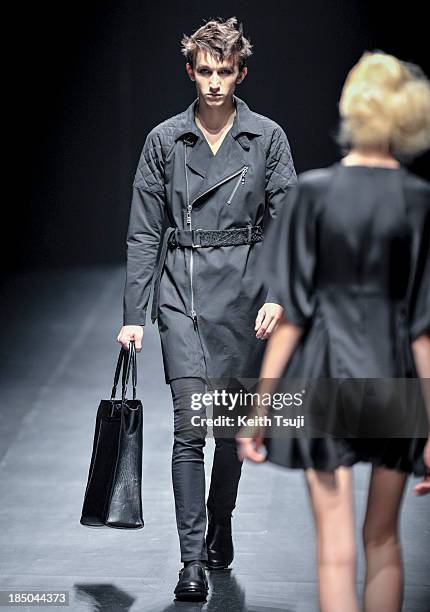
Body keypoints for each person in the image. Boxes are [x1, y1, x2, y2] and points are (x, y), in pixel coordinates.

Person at [237, 51, 430, 612]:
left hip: (325, 372)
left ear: (353, 107)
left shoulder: (313, 193)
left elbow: (292, 313)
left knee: (335, 550)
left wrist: (260, 409)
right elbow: (424, 327)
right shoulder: (419, 201)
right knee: (385, 540)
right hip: (392, 375)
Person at [116, 17, 297, 601]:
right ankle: (191, 560)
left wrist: (278, 293)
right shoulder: (164, 142)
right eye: (204, 71)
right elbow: (145, 232)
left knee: (229, 432)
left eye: (224, 71)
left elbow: (288, 223)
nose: (214, 82)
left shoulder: (266, 138)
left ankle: (221, 523)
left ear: (240, 73)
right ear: (189, 71)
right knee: (191, 427)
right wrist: (133, 314)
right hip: (182, 296)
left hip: (245, 299)